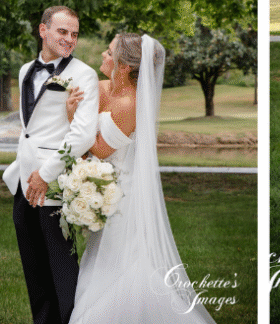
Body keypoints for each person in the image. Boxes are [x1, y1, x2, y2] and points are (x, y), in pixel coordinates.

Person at [64, 34, 215, 323]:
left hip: (119, 195)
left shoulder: (129, 104)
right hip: (97, 183)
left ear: (123, 66)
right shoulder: (99, 86)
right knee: (97, 259)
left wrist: (72, 119)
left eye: (108, 53)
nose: (102, 57)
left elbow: (98, 148)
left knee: (118, 262)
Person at [2, 6, 100, 324]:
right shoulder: (24, 71)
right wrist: (29, 176)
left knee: (62, 272)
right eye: (62, 32)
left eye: (74, 34)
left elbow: (83, 134)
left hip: (53, 186)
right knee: (34, 271)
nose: (69, 39)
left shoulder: (83, 74)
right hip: (23, 184)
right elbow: (31, 129)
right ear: (43, 30)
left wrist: (45, 175)